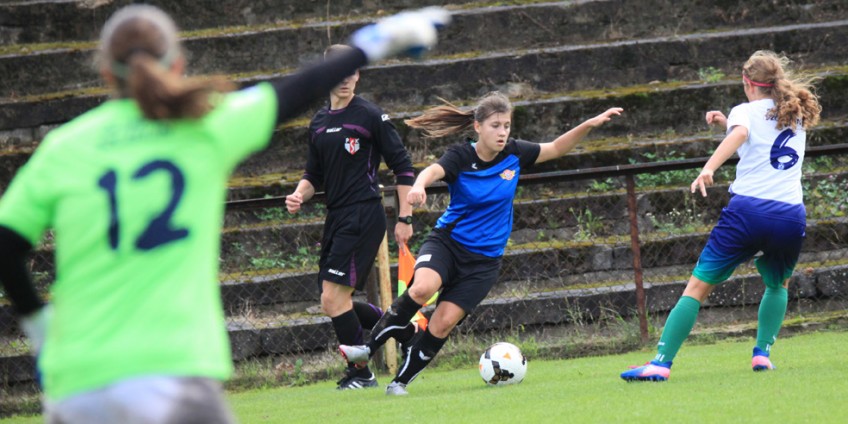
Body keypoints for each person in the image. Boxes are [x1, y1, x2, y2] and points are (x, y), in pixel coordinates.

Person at [0, 4, 449, 422]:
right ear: (176, 66)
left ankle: (369, 357)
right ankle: (381, 346)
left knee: (336, 298)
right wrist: (375, 40)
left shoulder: (65, 147)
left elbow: (5, 243)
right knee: (335, 297)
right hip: (176, 368)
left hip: (80, 373)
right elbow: (292, 91)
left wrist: (40, 327)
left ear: (103, 71)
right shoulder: (205, 127)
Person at [339, 91, 623, 395]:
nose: (502, 133)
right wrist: (419, 185)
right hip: (447, 244)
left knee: (442, 324)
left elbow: (554, 148)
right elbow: (434, 170)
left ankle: (400, 383)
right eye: (495, 126)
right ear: (478, 127)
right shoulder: (461, 156)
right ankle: (368, 349)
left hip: (484, 262)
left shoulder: (515, 153)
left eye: (507, 126)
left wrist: (589, 125)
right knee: (421, 288)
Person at [620, 50, 821, 382]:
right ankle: (762, 356)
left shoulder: (745, 111)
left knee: (697, 288)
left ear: (747, 82)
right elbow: (763, 142)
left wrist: (709, 168)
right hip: (789, 214)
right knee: (777, 283)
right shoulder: (793, 115)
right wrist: (726, 124)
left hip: (750, 211)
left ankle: (660, 363)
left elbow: (744, 134)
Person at [284, 43, 417, 390]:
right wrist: (300, 193)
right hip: (337, 216)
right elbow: (314, 176)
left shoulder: (370, 115)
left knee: (332, 299)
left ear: (358, 75)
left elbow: (403, 168)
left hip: (363, 213)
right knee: (334, 301)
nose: (346, 80)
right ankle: (405, 330)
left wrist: (405, 218)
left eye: (352, 72)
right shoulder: (319, 122)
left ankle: (361, 374)